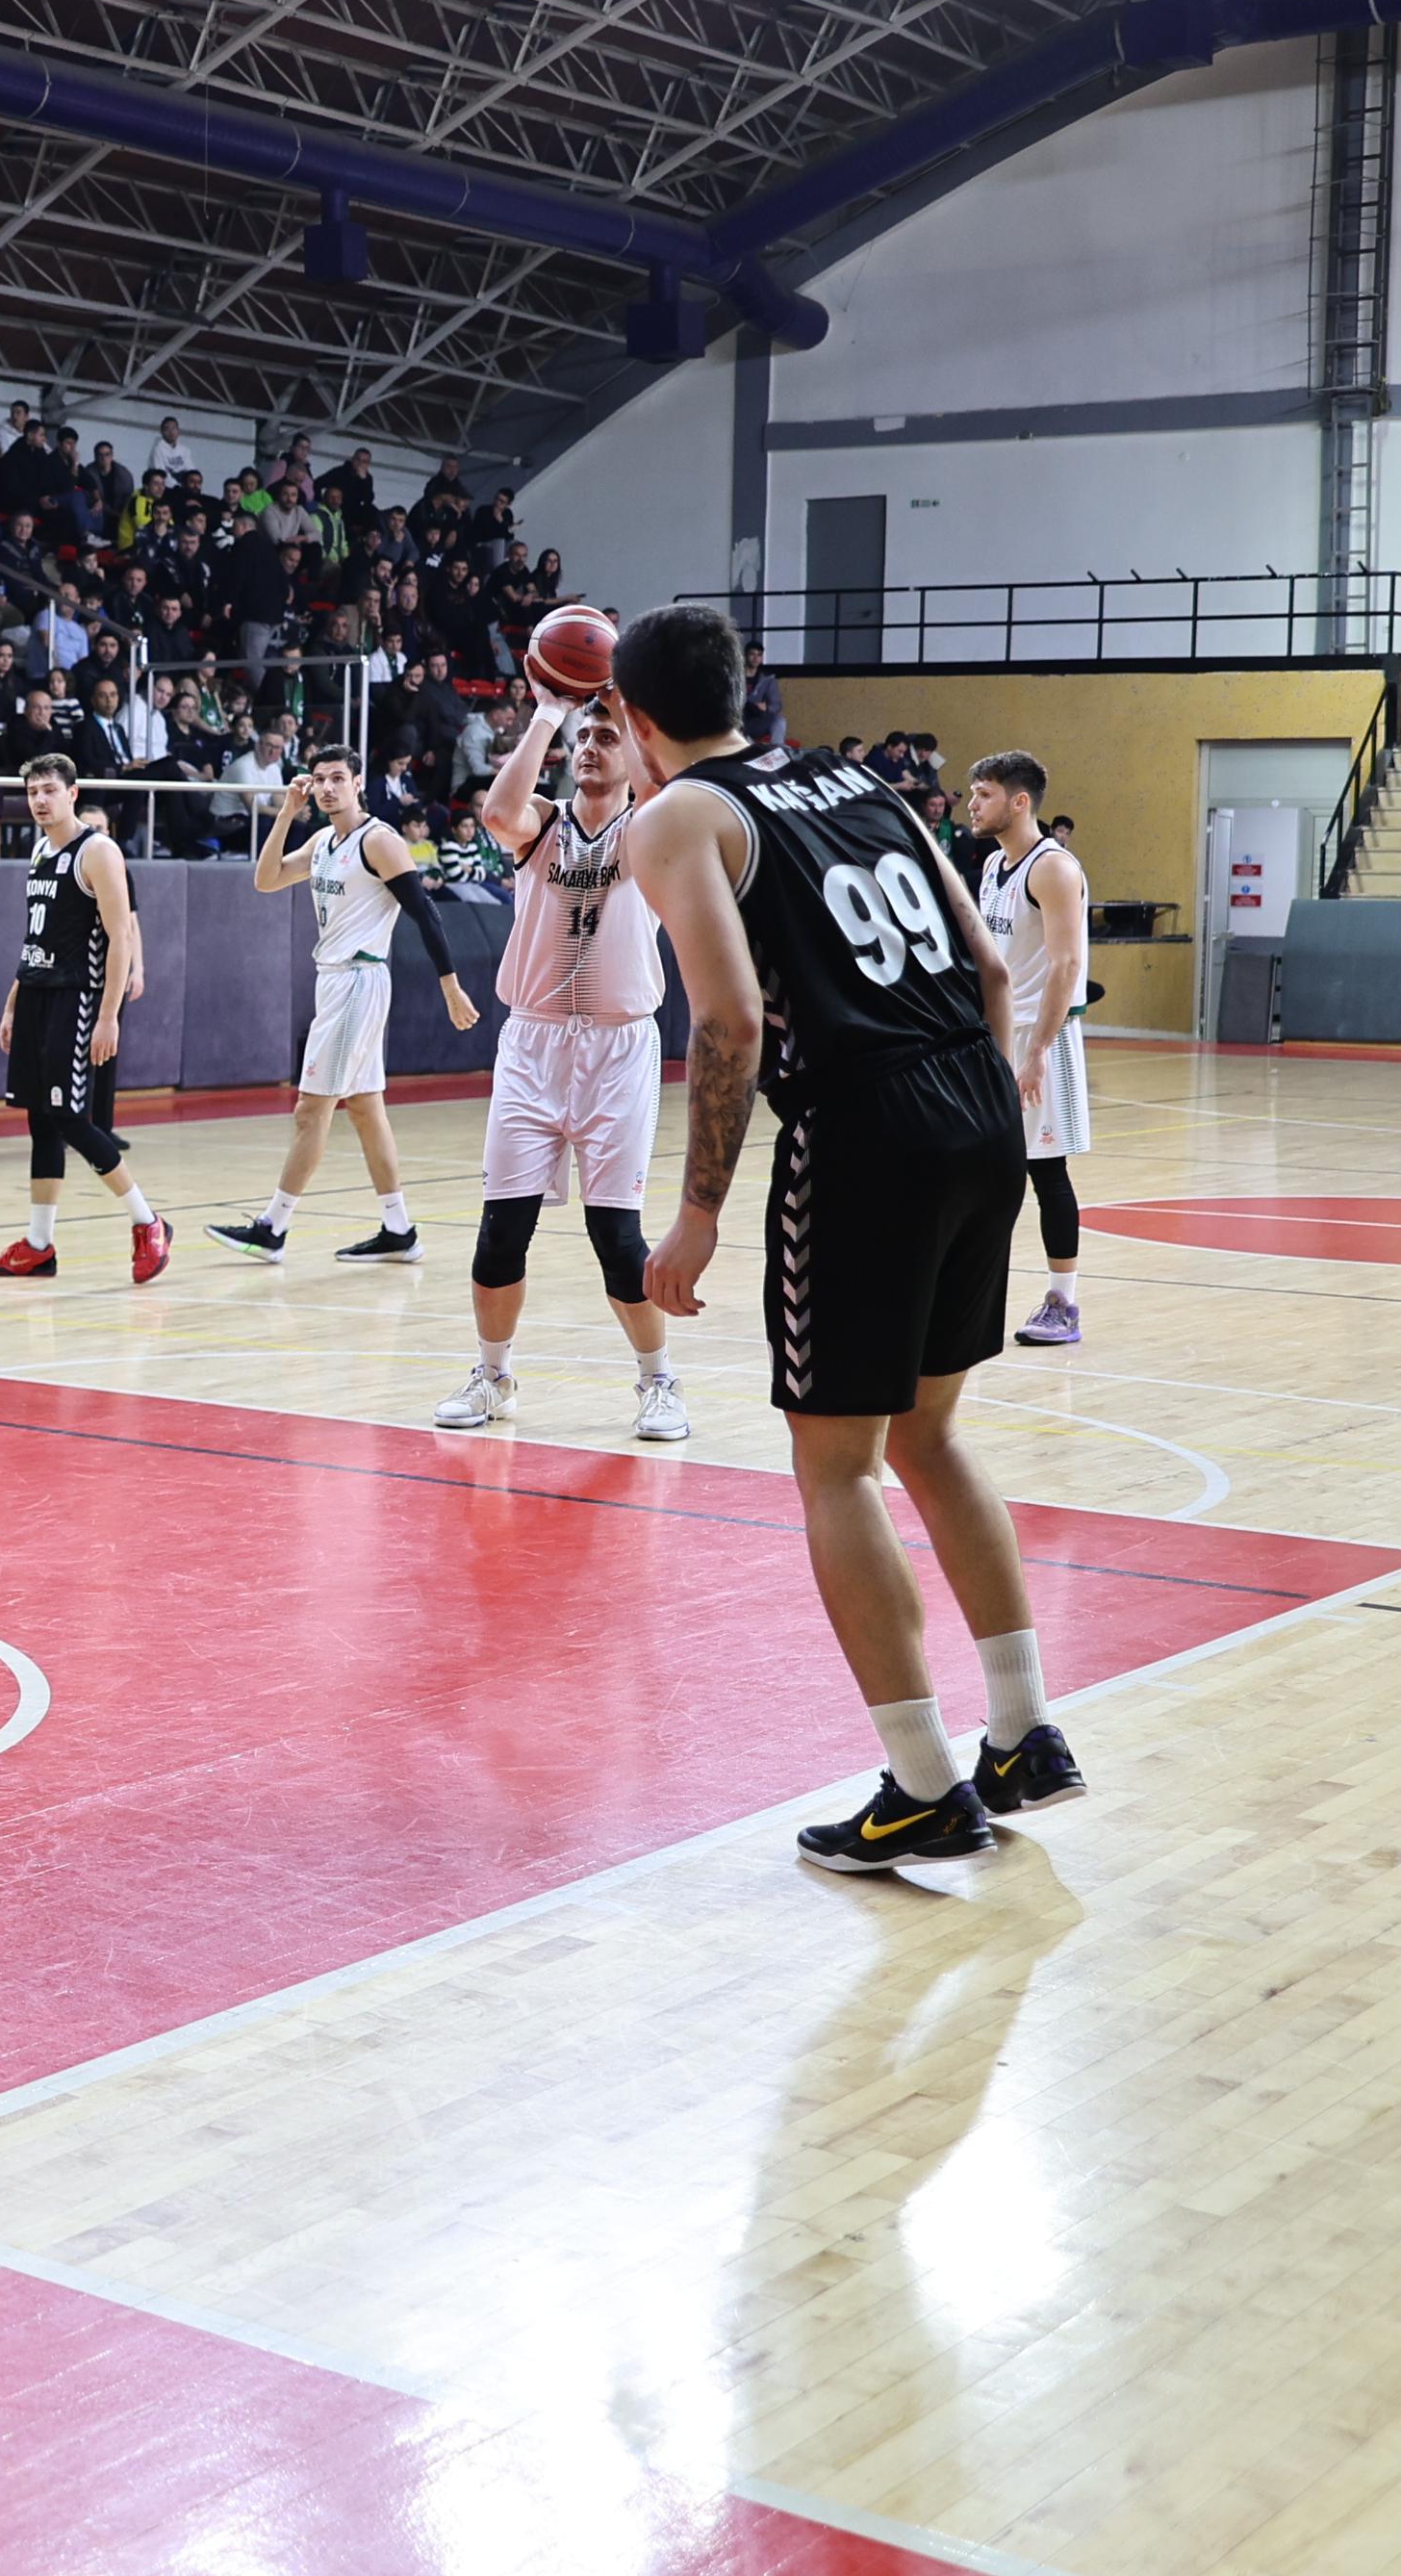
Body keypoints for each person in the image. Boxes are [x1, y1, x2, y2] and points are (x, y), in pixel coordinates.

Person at [611, 601, 1072, 1875]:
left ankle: (923, 1785)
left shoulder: (678, 816)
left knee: (836, 1468)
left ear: (632, 721)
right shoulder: (859, 775)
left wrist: (698, 1214)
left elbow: (729, 1023)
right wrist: (971, 1109)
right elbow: (987, 964)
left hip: (864, 1126)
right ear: (746, 686)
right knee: (927, 1432)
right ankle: (1025, 1732)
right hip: (977, 1107)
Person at [430, 690, 683, 1441]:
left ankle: (658, 1381)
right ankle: (493, 1375)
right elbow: (495, 813)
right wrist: (547, 711)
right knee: (500, 1232)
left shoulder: (651, 830)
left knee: (618, 1239)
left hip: (617, 1047)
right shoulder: (540, 825)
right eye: (584, 737)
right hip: (533, 1043)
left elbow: (674, 789)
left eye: (607, 737)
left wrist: (632, 716)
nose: (590, 745)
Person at [215, 742, 476, 1263]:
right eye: (320, 779)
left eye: (338, 777)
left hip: (359, 980)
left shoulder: (377, 841)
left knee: (311, 1110)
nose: (328, 787)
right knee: (364, 1109)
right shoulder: (320, 842)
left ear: (358, 783)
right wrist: (287, 812)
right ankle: (399, 1231)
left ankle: (273, 1227)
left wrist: (449, 984)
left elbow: (425, 913)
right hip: (334, 981)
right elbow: (265, 880)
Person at [0, 752, 173, 1283]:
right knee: (40, 1119)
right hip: (37, 992)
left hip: (77, 999)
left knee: (71, 1119)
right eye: (32, 791)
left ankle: (148, 1222)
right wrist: (14, 999)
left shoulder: (99, 852)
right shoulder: (39, 850)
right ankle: (39, 1244)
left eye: (49, 790)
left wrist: (109, 1016)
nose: (40, 800)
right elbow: (37, 937)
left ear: (72, 793)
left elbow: (120, 937)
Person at [962, 752, 1092, 1348]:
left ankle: (1063, 1303)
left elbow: (1066, 965)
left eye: (984, 794)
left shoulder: (1053, 869)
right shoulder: (992, 866)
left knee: (1046, 1170)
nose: (972, 803)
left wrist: (1037, 1049)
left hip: (1044, 1037)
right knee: (985, 1170)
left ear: (1019, 801)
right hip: (994, 1036)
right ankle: (970, 1293)